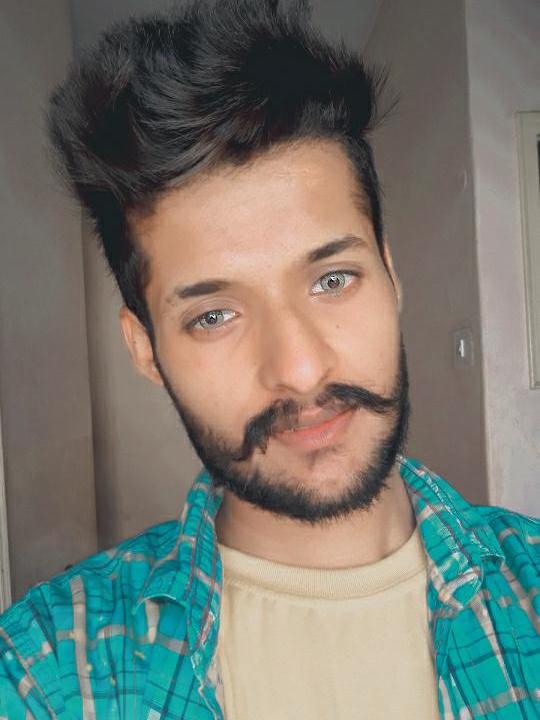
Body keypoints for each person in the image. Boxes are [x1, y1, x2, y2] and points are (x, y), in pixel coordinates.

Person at [1, 1, 538, 718]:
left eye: (333, 279)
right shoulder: (48, 667)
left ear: (390, 274)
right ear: (146, 349)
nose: (302, 370)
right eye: (213, 316)